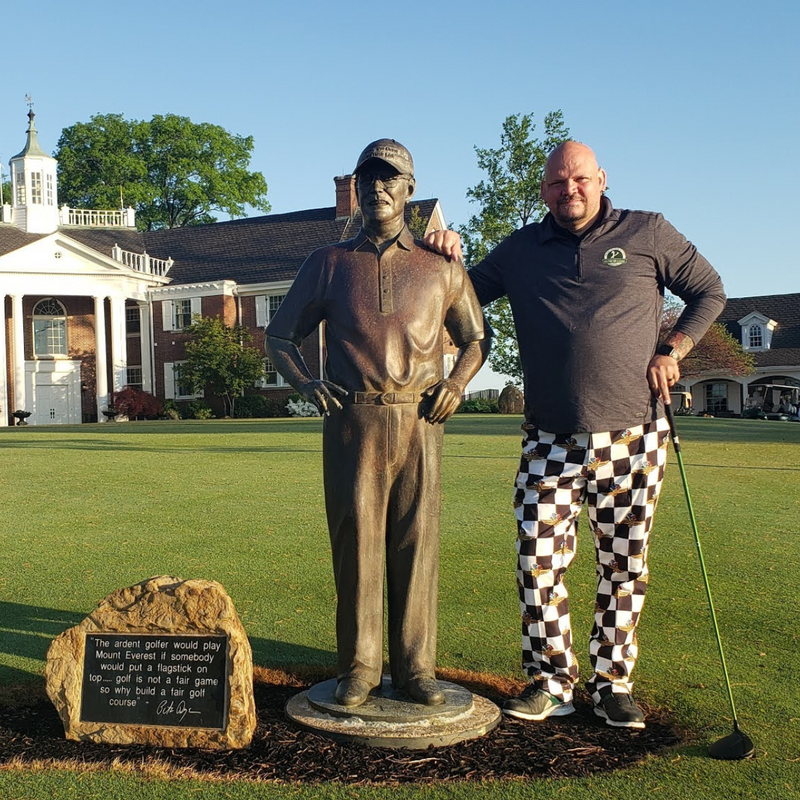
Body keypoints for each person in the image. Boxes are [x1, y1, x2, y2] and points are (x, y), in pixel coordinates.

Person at [424, 141, 725, 728]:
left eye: (581, 179)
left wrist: (673, 349)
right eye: (558, 183)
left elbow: (710, 292)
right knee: (537, 560)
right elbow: (454, 296)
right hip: (549, 439)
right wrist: (442, 256)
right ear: (544, 190)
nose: (571, 191)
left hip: (634, 435)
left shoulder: (648, 232)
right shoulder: (520, 250)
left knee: (624, 565)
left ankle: (613, 683)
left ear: (602, 178)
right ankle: (551, 681)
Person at [266, 139, 487, 708]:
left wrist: (456, 384)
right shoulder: (329, 264)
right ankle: (359, 667)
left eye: (390, 178)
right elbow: (280, 335)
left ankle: (417, 667)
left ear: (410, 189)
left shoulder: (441, 267)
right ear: (357, 188)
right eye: (368, 178)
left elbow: (474, 339)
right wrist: (308, 383)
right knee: (356, 544)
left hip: (420, 421)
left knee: (417, 543)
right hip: (352, 422)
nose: (378, 187)